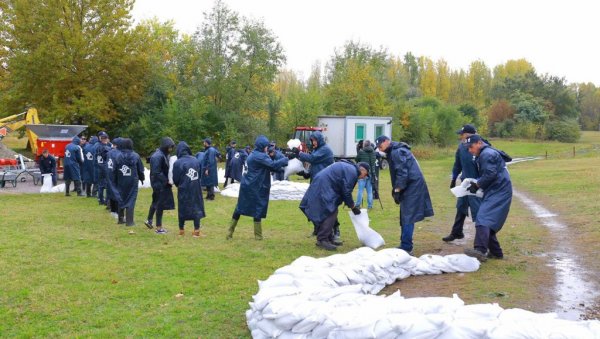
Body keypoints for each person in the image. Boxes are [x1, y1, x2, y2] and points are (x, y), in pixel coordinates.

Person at [376, 135, 434, 255]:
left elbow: (402, 172)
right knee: (405, 215)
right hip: (411, 185)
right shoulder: (396, 150)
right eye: (378, 147)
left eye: (380, 146)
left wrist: (398, 189)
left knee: (408, 216)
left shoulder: (397, 152)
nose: (380, 149)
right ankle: (404, 243)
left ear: (387, 141)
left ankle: (407, 247)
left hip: (412, 186)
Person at [226, 135, 288, 240]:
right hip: (255, 186)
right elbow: (272, 166)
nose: (267, 148)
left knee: (240, 208)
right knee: (258, 207)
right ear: (262, 146)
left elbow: (268, 167)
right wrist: (285, 159)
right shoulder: (260, 156)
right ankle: (258, 236)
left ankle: (230, 232)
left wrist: (280, 165)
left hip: (247, 185)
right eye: (266, 146)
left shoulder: (254, 154)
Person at [463, 134, 512, 262]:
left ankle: (480, 250)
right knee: (487, 220)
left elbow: (490, 174)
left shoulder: (487, 154)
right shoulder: (486, 153)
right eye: (468, 148)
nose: (470, 150)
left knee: (483, 218)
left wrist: (477, 184)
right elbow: (490, 174)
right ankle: (496, 253)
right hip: (498, 189)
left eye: (471, 147)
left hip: (499, 191)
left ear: (479, 143)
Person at [300, 160, 369, 251]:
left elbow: (343, 187)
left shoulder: (351, 169)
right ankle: (322, 239)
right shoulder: (352, 172)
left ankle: (329, 238)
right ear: (363, 170)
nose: (364, 177)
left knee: (331, 211)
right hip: (324, 187)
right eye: (366, 174)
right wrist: (353, 207)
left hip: (324, 185)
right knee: (330, 212)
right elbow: (346, 192)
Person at [443, 124, 482, 242]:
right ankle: (456, 232)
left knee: (479, 212)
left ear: (469, 134)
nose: (461, 136)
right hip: (465, 183)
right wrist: (453, 179)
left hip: (477, 186)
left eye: (462, 133)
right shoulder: (461, 147)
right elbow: (457, 164)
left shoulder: (481, 147)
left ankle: (482, 240)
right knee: (461, 207)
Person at [296, 131, 336, 237]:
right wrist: (306, 174)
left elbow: (312, 159)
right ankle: (317, 227)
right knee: (307, 206)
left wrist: (299, 153)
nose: (313, 143)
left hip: (325, 184)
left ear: (319, 140)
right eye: (312, 140)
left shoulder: (325, 150)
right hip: (315, 182)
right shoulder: (317, 150)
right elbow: (314, 164)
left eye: (314, 140)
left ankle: (335, 229)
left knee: (326, 208)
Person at [172, 141, 206, 237]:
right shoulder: (195, 160)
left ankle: (181, 230)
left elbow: (176, 179)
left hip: (184, 188)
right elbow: (199, 174)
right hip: (195, 187)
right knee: (196, 207)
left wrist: (179, 185)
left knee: (182, 207)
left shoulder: (177, 163)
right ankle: (196, 230)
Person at [145, 137, 176, 234]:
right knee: (160, 205)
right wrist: (166, 181)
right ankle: (159, 228)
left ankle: (149, 220)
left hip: (160, 183)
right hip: (159, 184)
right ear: (165, 146)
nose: (171, 149)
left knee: (155, 201)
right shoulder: (158, 156)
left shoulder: (164, 154)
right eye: (169, 147)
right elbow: (156, 172)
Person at [113, 138, 145, 226]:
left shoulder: (118, 156)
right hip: (132, 180)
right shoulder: (135, 156)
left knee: (121, 197)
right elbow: (140, 169)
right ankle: (129, 221)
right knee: (131, 199)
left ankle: (120, 219)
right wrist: (142, 178)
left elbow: (114, 170)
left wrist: (115, 180)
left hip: (121, 180)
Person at [355, 140, 377, 210]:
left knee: (360, 190)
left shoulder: (361, 152)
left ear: (364, 145)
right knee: (369, 191)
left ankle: (357, 205)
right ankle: (370, 206)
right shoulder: (373, 152)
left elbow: (356, 159)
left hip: (362, 173)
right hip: (371, 173)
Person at [106, 138, 123, 218]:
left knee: (111, 191)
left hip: (109, 173)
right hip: (115, 174)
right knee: (117, 192)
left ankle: (113, 210)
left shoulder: (109, 152)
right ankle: (117, 211)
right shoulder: (119, 153)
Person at [95, 132, 112, 205]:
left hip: (99, 166)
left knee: (100, 184)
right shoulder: (106, 148)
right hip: (104, 167)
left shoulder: (97, 146)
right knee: (107, 184)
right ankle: (106, 200)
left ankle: (100, 199)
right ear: (106, 139)